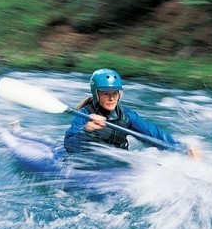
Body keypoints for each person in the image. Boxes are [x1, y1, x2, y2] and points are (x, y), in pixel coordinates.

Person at [64, 68, 201, 160]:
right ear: (96, 94)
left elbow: (152, 134)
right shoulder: (85, 114)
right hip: (89, 162)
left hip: (115, 162)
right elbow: (70, 146)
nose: (111, 98)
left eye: (114, 93)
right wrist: (87, 130)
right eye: (106, 94)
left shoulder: (126, 115)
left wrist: (182, 148)